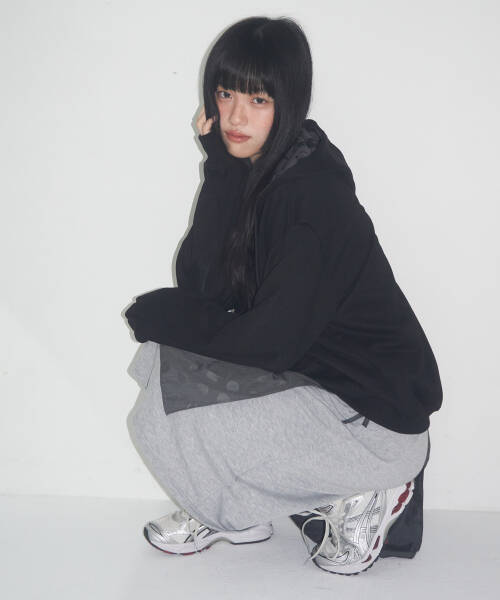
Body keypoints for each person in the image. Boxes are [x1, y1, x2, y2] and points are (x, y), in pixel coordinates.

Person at [124, 16, 442, 576]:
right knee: (161, 370)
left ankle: (373, 491)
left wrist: (164, 315)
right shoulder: (260, 174)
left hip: (375, 424)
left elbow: (268, 342)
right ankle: (232, 511)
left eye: (258, 99)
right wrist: (220, 170)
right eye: (225, 94)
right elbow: (204, 287)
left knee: (163, 401)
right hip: (318, 388)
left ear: (288, 102)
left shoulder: (312, 199)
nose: (235, 117)